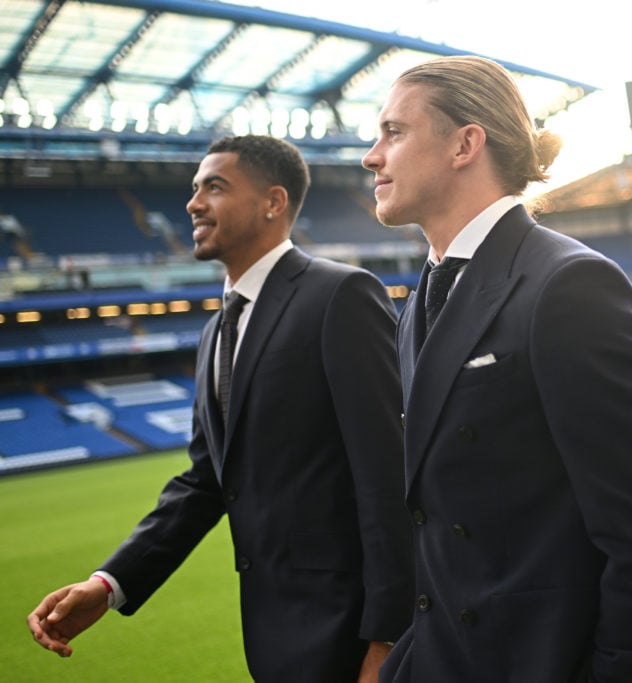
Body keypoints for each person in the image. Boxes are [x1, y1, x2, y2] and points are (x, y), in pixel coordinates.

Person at [27, 135, 414, 682]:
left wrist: (388, 638)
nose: (193, 203)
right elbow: (206, 480)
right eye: (194, 188)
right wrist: (107, 585)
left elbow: (386, 470)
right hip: (271, 633)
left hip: (348, 633)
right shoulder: (216, 332)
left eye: (215, 186)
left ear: (273, 202)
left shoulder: (339, 294)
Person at [362, 56, 632, 682]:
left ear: (465, 144)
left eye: (394, 132)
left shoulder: (570, 285)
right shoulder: (420, 303)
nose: (371, 156)